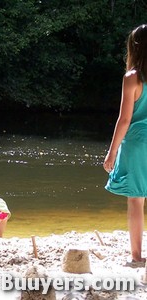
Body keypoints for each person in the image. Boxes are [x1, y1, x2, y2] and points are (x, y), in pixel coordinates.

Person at [103, 24, 147, 263]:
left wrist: (111, 152)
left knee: (136, 200)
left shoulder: (132, 78)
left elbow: (125, 119)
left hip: (138, 144)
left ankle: (138, 256)